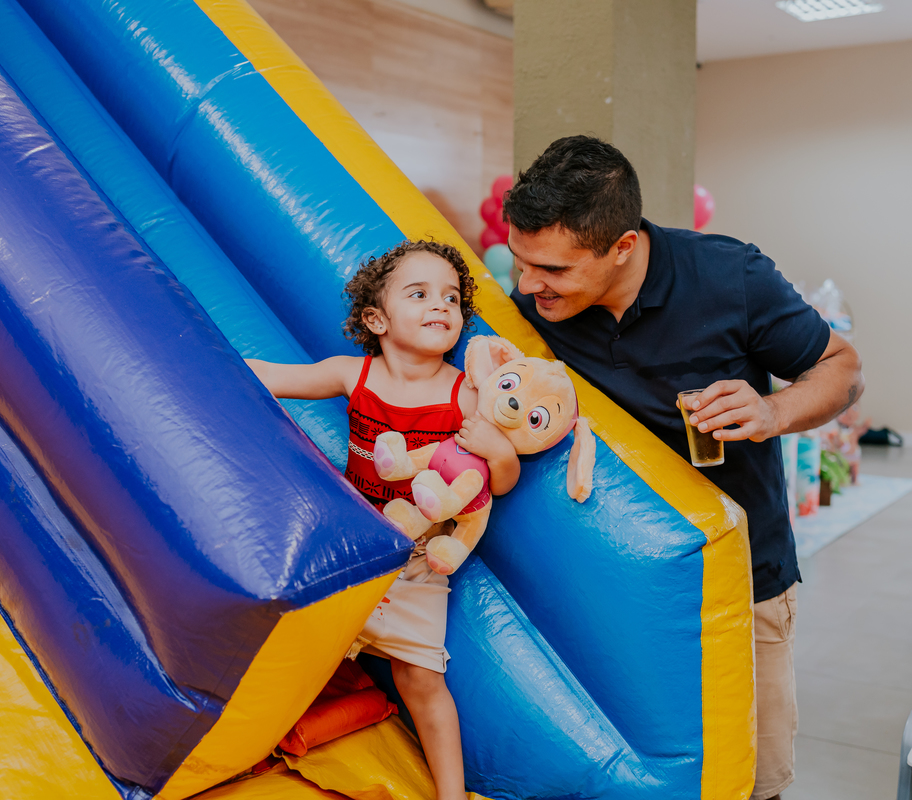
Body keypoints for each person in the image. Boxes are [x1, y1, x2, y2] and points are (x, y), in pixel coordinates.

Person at [503, 135, 863, 800]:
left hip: (739, 580)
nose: (528, 286)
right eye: (519, 262)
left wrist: (774, 410)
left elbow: (842, 371)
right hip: (607, 578)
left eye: (551, 269)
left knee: (751, 778)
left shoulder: (732, 279)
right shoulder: (531, 307)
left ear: (624, 247)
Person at [247, 239, 520, 800]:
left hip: (420, 557)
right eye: (419, 294)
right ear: (377, 318)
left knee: (420, 677)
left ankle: (451, 794)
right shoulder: (353, 375)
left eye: (451, 298)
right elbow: (269, 377)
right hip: (350, 546)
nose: (440, 306)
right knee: (285, 649)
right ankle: (249, 746)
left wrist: (499, 451)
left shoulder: (465, 395)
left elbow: (497, 485)